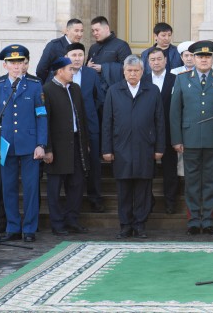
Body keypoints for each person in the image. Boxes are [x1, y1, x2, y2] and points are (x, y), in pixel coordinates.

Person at [170, 41, 213, 235]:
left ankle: (209, 220)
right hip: (190, 138)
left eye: (207, 57)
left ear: (212, 58)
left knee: (211, 181)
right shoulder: (181, 79)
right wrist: (177, 139)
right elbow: (175, 112)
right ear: (193, 58)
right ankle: (194, 220)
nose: (204, 60)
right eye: (200, 57)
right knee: (192, 182)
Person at [0, 45, 47, 243]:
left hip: (30, 145)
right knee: (9, 188)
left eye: (19, 62)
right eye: (12, 63)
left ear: (24, 64)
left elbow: (41, 117)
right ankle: (13, 227)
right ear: (5, 65)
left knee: (31, 188)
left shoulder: (34, 85)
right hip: (6, 145)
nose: (16, 66)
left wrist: (41, 144)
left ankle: (29, 228)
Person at [102, 55, 164, 239]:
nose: (133, 74)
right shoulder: (114, 91)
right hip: (121, 149)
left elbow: (159, 121)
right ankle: (125, 225)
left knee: (144, 189)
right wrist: (106, 149)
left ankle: (140, 224)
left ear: (142, 72)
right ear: (124, 72)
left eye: (136, 71)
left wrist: (159, 147)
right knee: (124, 190)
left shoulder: (152, 91)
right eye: (129, 71)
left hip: (145, 148)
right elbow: (107, 122)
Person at [42, 57, 89, 236]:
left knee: (76, 184)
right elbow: (44, 122)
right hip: (57, 147)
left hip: (76, 143)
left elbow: (82, 117)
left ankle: (72, 220)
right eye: (70, 69)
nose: (73, 71)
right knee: (55, 188)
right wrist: (47, 148)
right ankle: (57, 224)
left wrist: (85, 143)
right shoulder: (47, 90)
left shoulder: (75, 89)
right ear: (59, 71)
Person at [64, 42, 106, 212]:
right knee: (72, 164)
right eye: (74, 55)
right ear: (67, 57)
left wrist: (87, 112)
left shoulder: (91, 74)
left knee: (94, 163)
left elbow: (100, 98)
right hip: (68, 128)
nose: (77, 58)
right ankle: (73, 201)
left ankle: (95, 197)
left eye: (80, 55)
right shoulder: (61, 73)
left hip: (90, 125)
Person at [141, 48, 177, 214]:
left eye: (159, 59)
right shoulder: (143, 80)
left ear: (165, 61)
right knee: (147, 170)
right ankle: (149, 202)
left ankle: (170, 202)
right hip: (147, 133)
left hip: (169, 131)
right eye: (152, 59)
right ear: (148, 63)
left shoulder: (175, 79)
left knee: (170, 170)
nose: (156, 62)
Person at [87, 16, 132, 89]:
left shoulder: (122, 45)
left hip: (115, 91)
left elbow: (128, 68)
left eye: (97, 30)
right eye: (93, 31)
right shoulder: (93, 47)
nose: (94, 33)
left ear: (107, 28)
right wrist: (87, 67)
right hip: (95, 90)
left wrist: (103, 68)